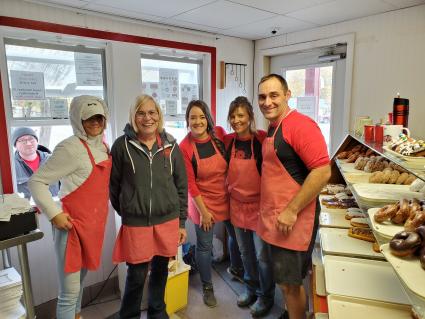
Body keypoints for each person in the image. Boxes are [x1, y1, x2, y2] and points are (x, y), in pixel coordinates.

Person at [29, 95, 111, 319]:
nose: (95, 123)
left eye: (99, 118)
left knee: (79, 284)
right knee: (69, 293)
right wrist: (54, 214)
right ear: (77, 119)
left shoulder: (104, 146)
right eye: (88, 118)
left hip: (92, 228)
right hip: (72, 230)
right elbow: (36, 182)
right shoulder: (70, 148)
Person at [257, 74, 331, 319]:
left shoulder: (300, 125)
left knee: (290, 284)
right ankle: (294, 313)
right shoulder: (274, 126)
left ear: (288, 95)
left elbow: (322, 171)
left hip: (293, 221)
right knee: (287, 281)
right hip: (275, 218)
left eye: (274, 95)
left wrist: (291, 210)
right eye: (262, 96)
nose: (267, 102)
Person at [110, 94, 188, 319]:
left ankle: (157, 312)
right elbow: (113, 188)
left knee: (161, 271)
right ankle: (129, 315)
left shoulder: (171, 145)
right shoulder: (122, 146)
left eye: (152, 112)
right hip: (137, 223)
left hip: (168, 220)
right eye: (141, 113)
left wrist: (181, 222)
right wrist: (129, 209)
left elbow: (181, 186)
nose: (147, 118)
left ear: (159, 115)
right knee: (136, 275)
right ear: (134, 116)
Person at [180, 100, 243, 308]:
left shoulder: (218, 133)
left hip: (225, 197)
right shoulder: (185, 147)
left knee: (236, 236)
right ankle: (207, 286)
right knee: (205, 246)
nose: (197, 121)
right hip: (201, 202)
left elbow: (236, 144)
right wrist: (204, 212)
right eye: (192, 118)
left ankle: (237, 269)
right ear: (187, 121)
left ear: (208, 118)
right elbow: (190, 184)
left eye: (201, 117)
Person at [224, 96, 275, 318]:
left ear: (251, 117)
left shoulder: (261, 141)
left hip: (258, 207)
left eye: (241, 115)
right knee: (245, 253)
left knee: (262, 255)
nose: (237, 120)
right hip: (236, 206)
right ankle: (250, 289)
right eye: (233, 116)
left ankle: (266, 295)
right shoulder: (228, 142)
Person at [12, 127, 59, 199]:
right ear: (15, 145)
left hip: (54, 206)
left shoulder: (53, 160)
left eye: (31, 139)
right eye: (22, 140)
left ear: (37, 141)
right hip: (26, 208)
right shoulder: (10, 166)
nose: (28, 143)